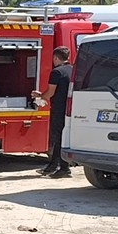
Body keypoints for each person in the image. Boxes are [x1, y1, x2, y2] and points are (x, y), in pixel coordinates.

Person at [32, 47, 73, 178]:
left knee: (57, 137)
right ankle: (53, 165)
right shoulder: (73, 70)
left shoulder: (56, 72)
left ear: (56, 57)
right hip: (70, 109)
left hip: (58, 109)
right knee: (62, 137)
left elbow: (51, 92)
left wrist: (40, 97)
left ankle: (64, 168)